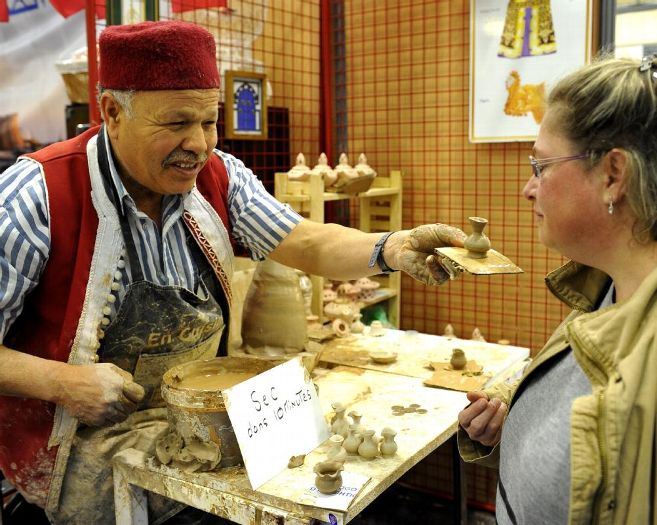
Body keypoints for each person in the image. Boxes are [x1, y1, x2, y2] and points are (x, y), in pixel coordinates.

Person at [0, 20, 466, 524]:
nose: (199, 144)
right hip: (74, 454)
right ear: (112, 112)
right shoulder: (38, 196)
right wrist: (63, 382)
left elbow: (305, 240)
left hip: (194, 435)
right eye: (177, 123)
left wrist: (391, 247)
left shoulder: (219, 177)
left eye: (209, 121)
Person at [457, 54, 657, 524]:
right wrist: (520, 414)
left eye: (541, 165)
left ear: (612, 175)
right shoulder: (603, 287)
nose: (529, 188)